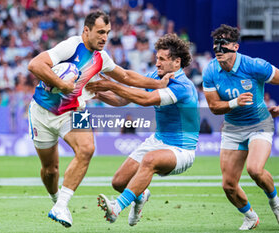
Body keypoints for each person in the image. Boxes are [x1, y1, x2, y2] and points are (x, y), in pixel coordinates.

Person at [27, 10, 167, 228]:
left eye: (108, 33)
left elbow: (126, 76)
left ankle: (62, 205)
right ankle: (56, 200)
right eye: (100, 32)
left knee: (87, 149)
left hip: (74, 110)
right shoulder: (71, 46)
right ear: (86, 31)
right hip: (42, 112)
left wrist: (157, 84)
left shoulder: (102, 58)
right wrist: (63, 84)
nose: (104, 37)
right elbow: (35, 65)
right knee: (50, 170)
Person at [86, 33, 199, 226]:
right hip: (157, 141)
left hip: (182, 150)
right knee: (119, 182)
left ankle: (116, 208)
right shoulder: (156, 77)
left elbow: (146, 100)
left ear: (177, 62)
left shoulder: (183, 87)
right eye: (157, 58)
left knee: (149, 160)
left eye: (162, 59)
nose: (157, 64)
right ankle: (141, 195)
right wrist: (97, 93)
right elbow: (122, 100)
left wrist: (112, 85)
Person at [202, 24, 279, 230]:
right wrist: (235, 103)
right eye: (216, 44)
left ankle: (275, 203)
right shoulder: (210, 70)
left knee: (254, 169)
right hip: (233, 127)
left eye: (224, 44)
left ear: (235, 47)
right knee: (228, 185)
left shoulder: (255, 65)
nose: (219, 48)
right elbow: (214, 108)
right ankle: (251, 216)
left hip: (259, 123)